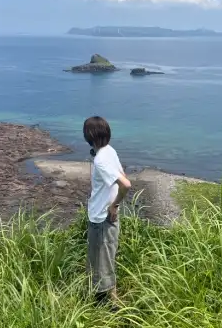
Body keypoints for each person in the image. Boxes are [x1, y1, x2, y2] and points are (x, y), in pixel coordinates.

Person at [83, 116, 131, 306]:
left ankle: (112, 304)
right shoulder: (109, 151)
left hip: (101, 218)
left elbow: (125, 183)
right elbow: (123, 174)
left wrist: (114, 205)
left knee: (102, 262)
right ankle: (104, 298)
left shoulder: (101, 160)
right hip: (107, 216)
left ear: (89, 137)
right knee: (104, 259)